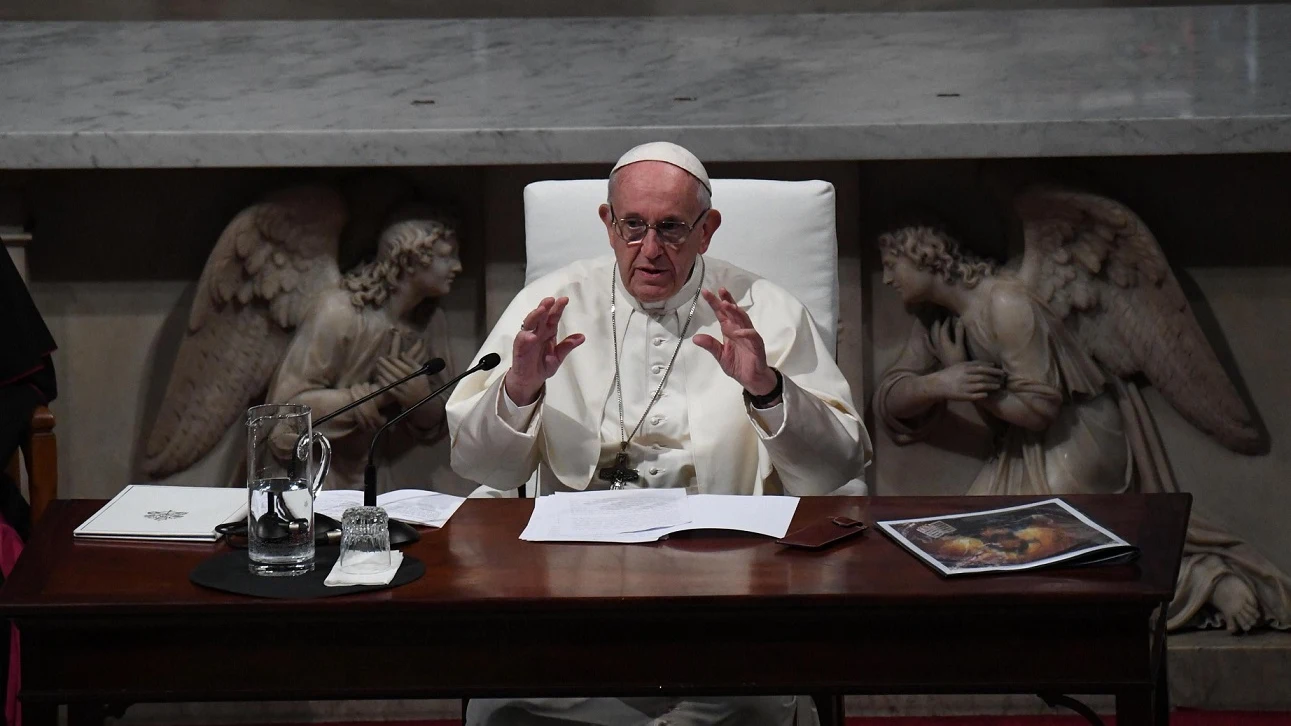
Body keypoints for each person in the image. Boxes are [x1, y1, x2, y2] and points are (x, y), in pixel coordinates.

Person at [446, 142, 871, 726]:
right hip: (574, 584)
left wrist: (767, 389)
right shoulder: (546, 309)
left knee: (744, 703)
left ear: (708, 229)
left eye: (671, 229)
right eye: (632, 226)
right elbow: (478, 465)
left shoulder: (765, 312)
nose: (649, 250)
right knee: (506, 706)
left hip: (722, 584)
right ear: (606, 222)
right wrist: (520, 388)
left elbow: (837, 466)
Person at [873, 225, 1291, 634]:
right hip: (1024, 447)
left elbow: (1039, 409)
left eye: (893, 264)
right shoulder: (938, 321)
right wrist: (936, 384)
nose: (888, 278)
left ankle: (1204, 579)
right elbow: (890, 397)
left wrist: (972, 391)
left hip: (1078, 436)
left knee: (1061, 555)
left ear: (925, 255)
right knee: (969, 554)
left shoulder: (1005, 303)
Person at [266, 206, 463, 489]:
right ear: (410, 260)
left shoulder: (431, 321)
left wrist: (419, 397)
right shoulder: (339, 312)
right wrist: (376, 396)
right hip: (316, 475)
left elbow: (438, 422)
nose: (458, 267)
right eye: (446, 256)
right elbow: (285, 415)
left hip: (378, 477)